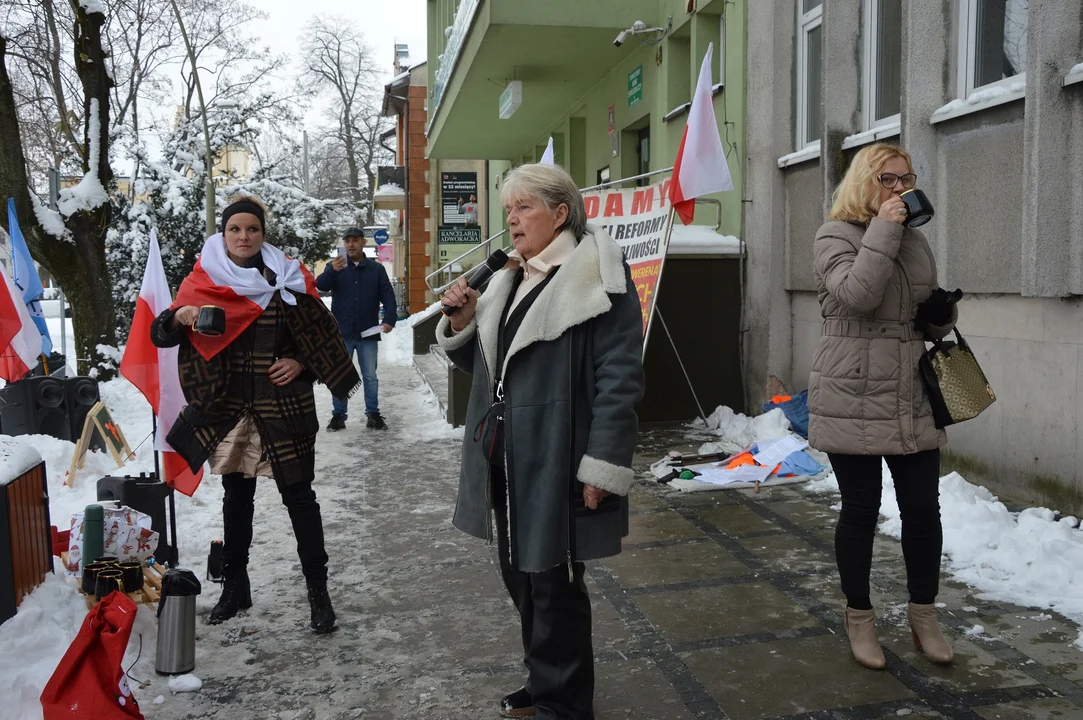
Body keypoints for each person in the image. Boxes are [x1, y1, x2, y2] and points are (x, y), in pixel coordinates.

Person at [438, 163, 644, 719]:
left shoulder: (597, 275)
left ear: (560, 213)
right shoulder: (510, 277)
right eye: (508, 210)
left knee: (555, 583)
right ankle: (544, 676)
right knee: (521, 574)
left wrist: (602, 464)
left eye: (524, 208)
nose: (512, 219)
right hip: (504, 453)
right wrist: (462, 320)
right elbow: (488, 369)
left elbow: (620, 378)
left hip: (559, 452)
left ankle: (565, 703)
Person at [151, 196, 360, 634]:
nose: (244, 237)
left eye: (252, 229)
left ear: (263, 233)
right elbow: (161, 334)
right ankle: (235, 586)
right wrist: (180, 316)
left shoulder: (285, 277)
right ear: (223, 234)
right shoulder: (203, 278)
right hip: (230, 407)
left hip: (283, 404)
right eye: (235, 230)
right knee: (236, 501)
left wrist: (302, 362)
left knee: (300, 499)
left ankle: (318, 595)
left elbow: (322, 332)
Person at [808, 143, 959, 669]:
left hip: (908, 390)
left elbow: (924, 318)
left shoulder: (915, 240)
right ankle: (859, 617)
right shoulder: (834, 236)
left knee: (922, 508)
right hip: (852, 389)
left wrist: (940, 315)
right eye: (889, 179)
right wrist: (887, 227)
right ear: (865, 184)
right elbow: (858, 295)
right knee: (860, 510)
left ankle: (924, 615)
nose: (901, 188)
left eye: (907, 178)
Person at [318, 227, 397, 431]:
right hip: (341, 333)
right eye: (347, 241)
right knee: (340, 374)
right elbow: (321, 286)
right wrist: (331, 271)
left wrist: (389, 319)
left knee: (370, 376)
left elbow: (387, 295)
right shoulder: (335, 267)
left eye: (355, 240)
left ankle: (373, 414)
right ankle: (338, 416)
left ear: (363, 243)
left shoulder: (376, 269)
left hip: (367, 332)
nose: (350, 245)